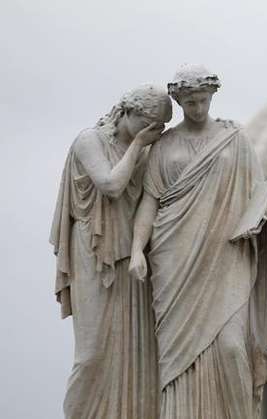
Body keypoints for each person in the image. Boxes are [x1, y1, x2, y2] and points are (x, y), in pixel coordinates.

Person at [129, 65, 267, 419]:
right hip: (174, 259)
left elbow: (257, 195)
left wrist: (260, 218)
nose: (198, 108)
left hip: (227, 254)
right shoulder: (165, 146)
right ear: (180, 101)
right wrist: (135, 252)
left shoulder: (235, 139)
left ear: (212, 97)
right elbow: (149, 201)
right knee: (176, 357)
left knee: (233, 347)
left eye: (202, 100)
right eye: (190, 102)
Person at [50, 84, 172, 419]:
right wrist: (138, 145)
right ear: (129, 112)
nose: (154, 132)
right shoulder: (90, 140)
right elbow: (111, 185)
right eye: (150, 123)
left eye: (160, 127)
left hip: (132, 255)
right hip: (93, 248)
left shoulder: (146, 149)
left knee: (135, 352)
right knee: (91, 354)